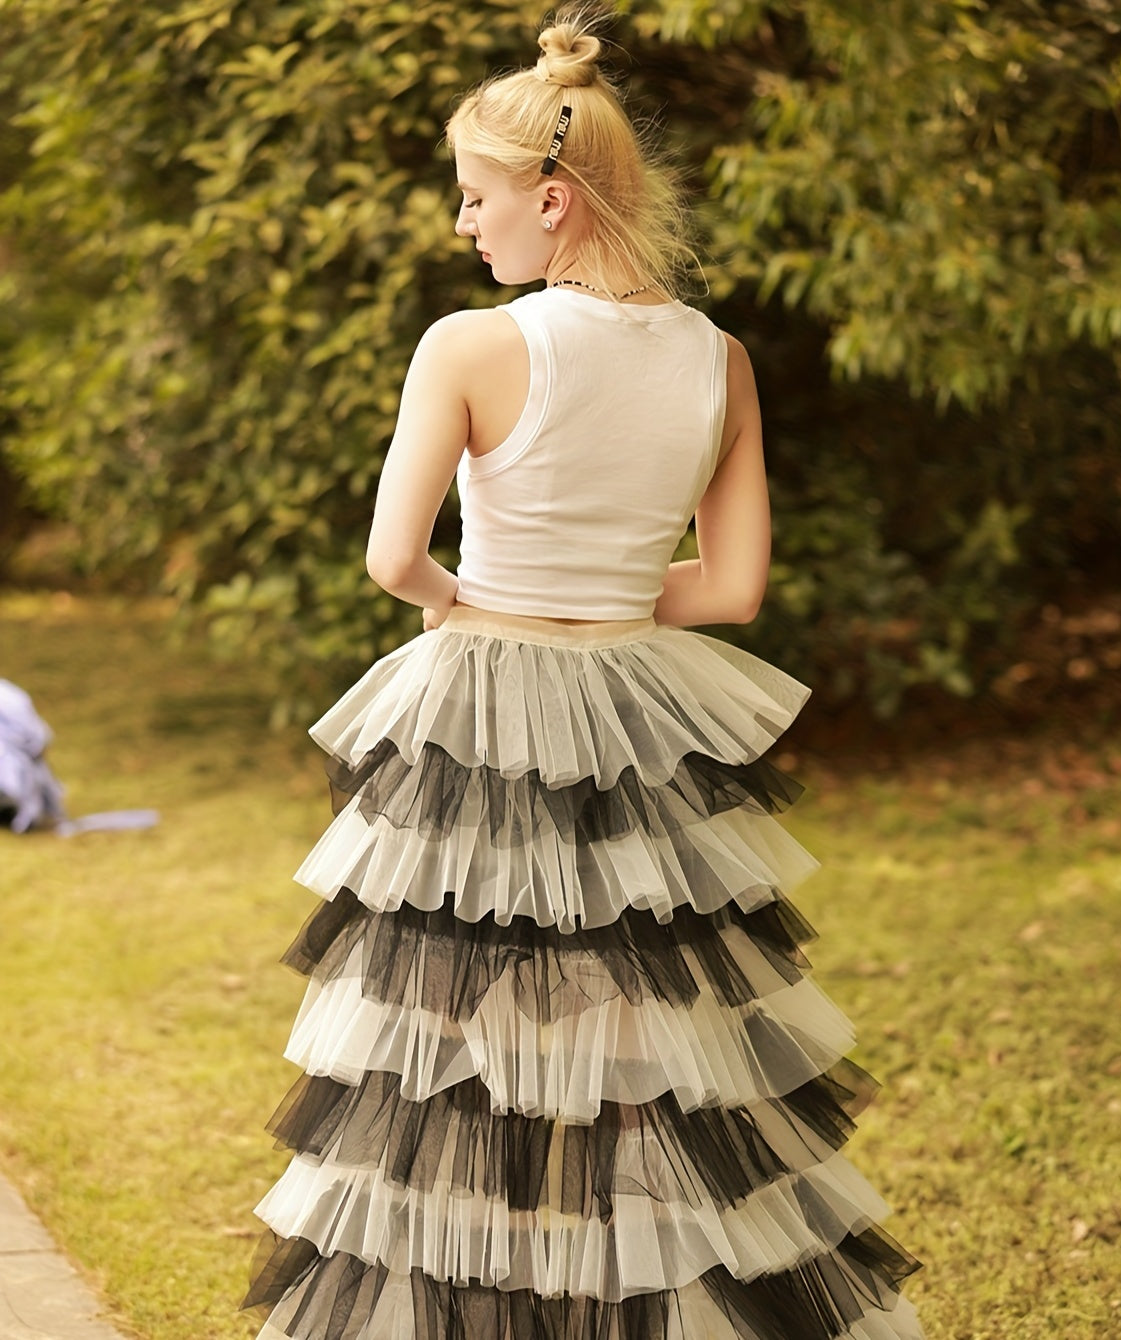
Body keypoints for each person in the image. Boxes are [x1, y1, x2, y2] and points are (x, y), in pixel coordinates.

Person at [244, 10, 923, 1338]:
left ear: (550, 201)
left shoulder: (470, 347)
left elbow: (395, 558)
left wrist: (471, 600)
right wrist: (609, 595)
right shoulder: (717, 359)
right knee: (658, 1058)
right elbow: (729, 591)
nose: (463, 225)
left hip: (488, 722)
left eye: (476, 196)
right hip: (637, 722)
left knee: (452, 1067)